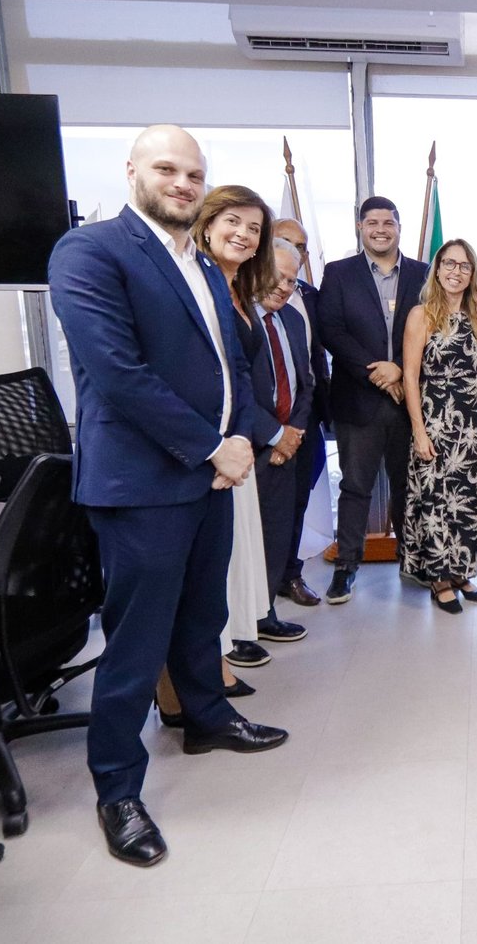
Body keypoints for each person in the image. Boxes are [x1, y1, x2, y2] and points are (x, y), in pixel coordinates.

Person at [48, 125, 287, 868]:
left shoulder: (202, 265)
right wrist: (213, 447)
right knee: (137, 641)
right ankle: (118, 789)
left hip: (210, 477)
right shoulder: (90, 252)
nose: (183, 184)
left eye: (194, 174)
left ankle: (206, 719)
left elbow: (231, 368)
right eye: (167, 169)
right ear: (132, 172)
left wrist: (241, 439)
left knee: (201, 613)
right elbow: (118, 374)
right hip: (144, 483)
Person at [191, 186, 296, 669]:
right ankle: (214, 661)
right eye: (233, 222)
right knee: (218, 560)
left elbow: (242, 375)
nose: (243, 234)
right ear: (207, 224)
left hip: (238, 442)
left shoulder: (235, 292)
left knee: (239, 550)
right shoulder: (198, 283)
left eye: (254, 228)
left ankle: (231, 642)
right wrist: (247, 438)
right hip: (213, 447)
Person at [317, 196, 428, 603]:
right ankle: (346, 566)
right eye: (372, 223)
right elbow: (331, 329)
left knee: (408, 487)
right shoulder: (338, 272)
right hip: (357, 399)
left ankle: (412, 561)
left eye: (388, 222)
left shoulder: (423, 273)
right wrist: (377, 373)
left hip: (408, 399)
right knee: (355, 487)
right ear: (360, 228)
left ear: (399, 227)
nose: (381, 229)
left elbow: (435, 326)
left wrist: (398, 367)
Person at [399, 238, 477, 611]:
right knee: (436, 503)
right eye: (449, 263)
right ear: (437, 269)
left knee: (465, 503)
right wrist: (419, 432)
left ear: (472, 273)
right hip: (436, 426)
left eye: (464, 265)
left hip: (473, 429)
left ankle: (461, 573)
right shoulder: (421, 315)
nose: (456, 271)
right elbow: (410, 378)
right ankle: (439, 579)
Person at [247, 238, 317, 640]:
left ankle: (264, 614)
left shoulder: (291, 318)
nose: (284, 287)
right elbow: (236, 389)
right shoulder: (237, 316)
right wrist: (275, 436)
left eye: (291, 280)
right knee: (246, 542)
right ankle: (241, 625)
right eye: (277, 276)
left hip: (288, 444)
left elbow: (305, 383)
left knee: (277, 533)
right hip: (249, 446)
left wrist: (292, 435)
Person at [269, 216, 329, 607]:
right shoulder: (244, 300)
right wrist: (276, 433)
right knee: (266, 513)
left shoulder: (307, 297)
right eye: (285, 242)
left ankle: (289, 574)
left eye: (301, 246)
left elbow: (309, 369)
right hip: (259, 430)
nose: (295, 251)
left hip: (304, 420)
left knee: (297, 503)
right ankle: (259, 592)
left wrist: (299, 424)